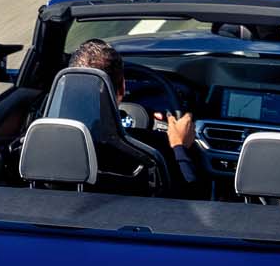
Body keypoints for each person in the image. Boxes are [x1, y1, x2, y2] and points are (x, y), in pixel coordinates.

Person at [66, 39, 201, 194]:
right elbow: (190, 197)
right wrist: (179, 146)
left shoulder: (49, 141)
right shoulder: (148, 156)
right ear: (122, 88)